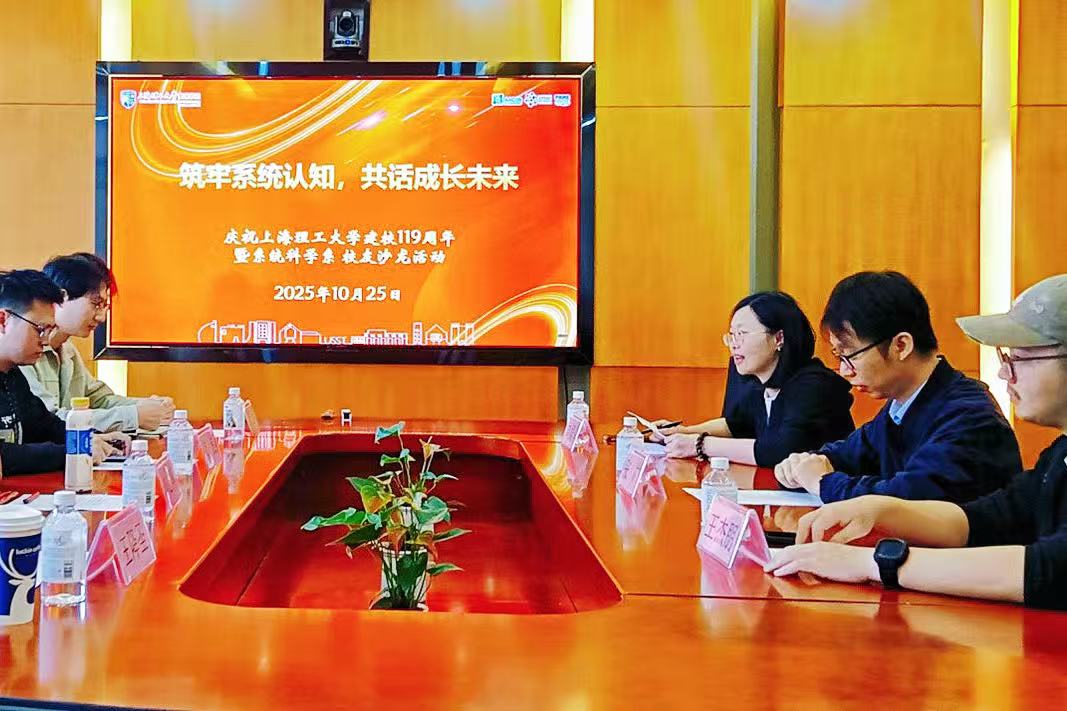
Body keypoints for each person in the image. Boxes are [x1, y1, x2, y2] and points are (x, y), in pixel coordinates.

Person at [764, 274, 1067, 610]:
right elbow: (988, 518)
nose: (1003, 373)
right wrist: (879, 509)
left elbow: (1051, 570)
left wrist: (872, 563)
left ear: (901, 346)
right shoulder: (1059, 456)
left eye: (1020, 359)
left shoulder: (970, 417)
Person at [774, 271, 1021, 503]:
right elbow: (850, 453)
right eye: (839, 358)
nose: (845, 371)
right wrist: (806, 463)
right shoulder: (901, 405)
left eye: (851, 356)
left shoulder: (969, 416)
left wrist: (824, 483)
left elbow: (906, 499)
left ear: (901, 346)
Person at [656, 291, 855, 467]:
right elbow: (738, 425)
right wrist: (684, 432)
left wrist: (700, 444)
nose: (734, 345)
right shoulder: (759, 381)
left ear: (778, 338)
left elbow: (781, 450)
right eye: (731, 335)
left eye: (741, 334)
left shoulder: (814, 385)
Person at [20, 253, 174, 433]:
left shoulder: (67, 350)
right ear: (62, 297)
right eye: (96, 304)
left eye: (105, 307)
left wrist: (148, 406)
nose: (101, 317)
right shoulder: (24, 351)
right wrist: (133, 415)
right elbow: (49, 420)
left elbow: (98, 399)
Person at [0, 270, 125, 475]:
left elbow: (45, 426)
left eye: (50, 330)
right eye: (40, 329)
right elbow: (5, 456)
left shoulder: (12, 375)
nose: (45, 340)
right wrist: (71, 452)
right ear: (3, 320)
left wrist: (90, 438)